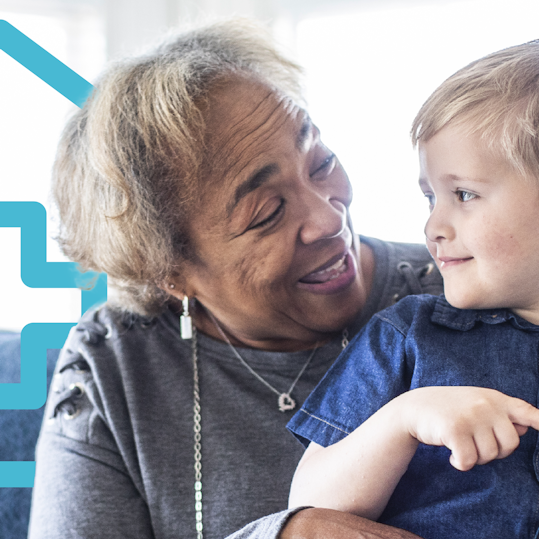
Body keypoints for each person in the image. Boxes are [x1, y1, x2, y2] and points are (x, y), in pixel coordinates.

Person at [28, 19, 442, 539]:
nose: (329, 220)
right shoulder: (113, 367)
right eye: (267, 212)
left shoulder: (464, 293)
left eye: (321, 162)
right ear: (171, 274)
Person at [287, 40, 539, 539]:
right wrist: (403, 419)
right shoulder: (406, 337)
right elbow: (309, 511)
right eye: (430, 198)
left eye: (463, 194)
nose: (434, 228)